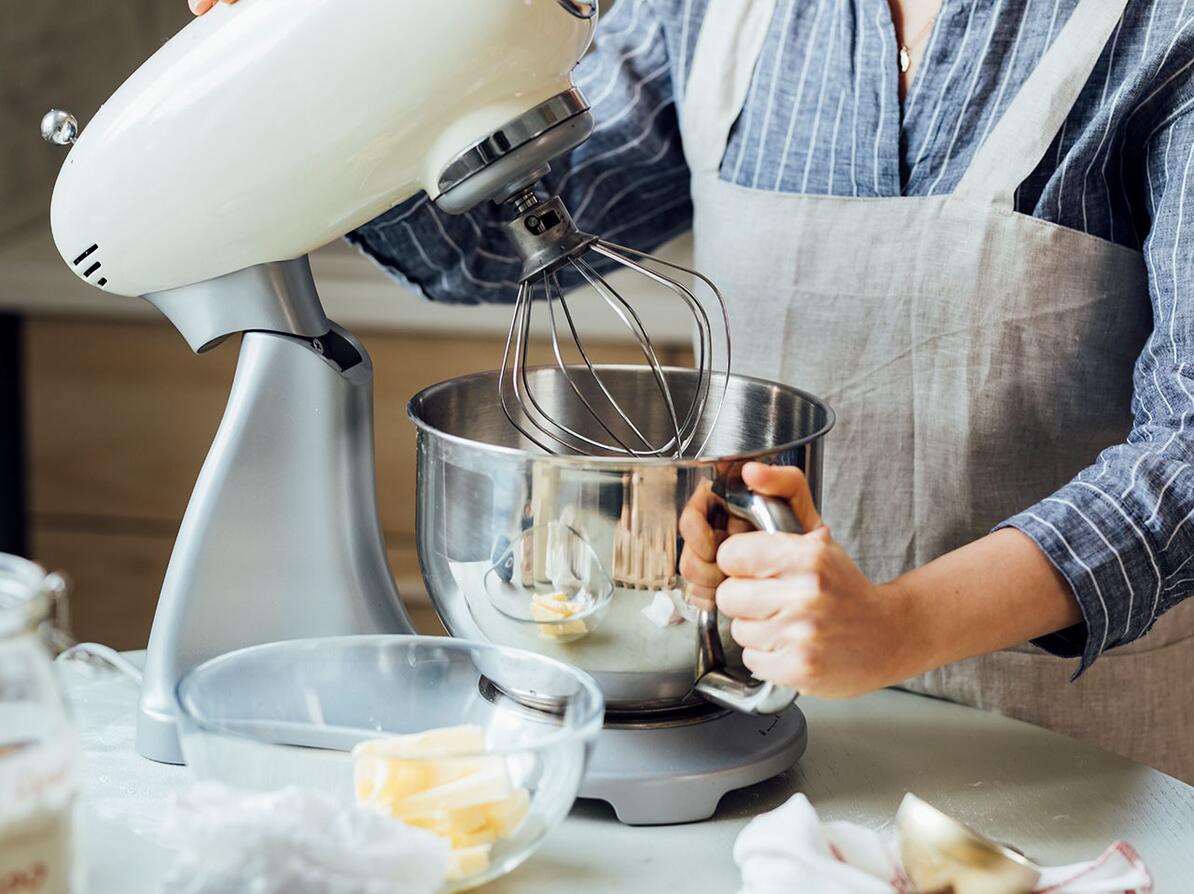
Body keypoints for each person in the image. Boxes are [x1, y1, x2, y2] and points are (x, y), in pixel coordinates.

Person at [192, 0, 1194, 781]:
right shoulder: (712, 12)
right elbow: (485, 242)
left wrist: (899, 627)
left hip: (1066, 757)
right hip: (750, 728)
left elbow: (1187, 454)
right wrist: (311, 86)